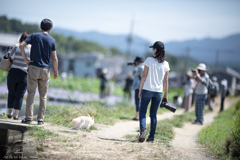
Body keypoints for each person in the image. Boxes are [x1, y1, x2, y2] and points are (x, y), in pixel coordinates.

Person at [20, 19, 58, 125]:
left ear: (40, 27)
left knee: (31, 93)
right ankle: (40, 119)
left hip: (33, 68)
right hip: (46, 70)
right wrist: (55, 71)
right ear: (50, 28)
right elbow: (55, 58)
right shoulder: (52, 40)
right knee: (43, 95)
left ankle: (28, 118)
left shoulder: (34, 36)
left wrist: (26, 60)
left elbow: (21, 45)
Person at [138, 41, 170, 143]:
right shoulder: (166, 64)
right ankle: (151, 138)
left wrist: (140, 89)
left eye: (153, 48)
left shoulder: (149, 60)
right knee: (153, 114)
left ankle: (143, 130)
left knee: (142, 111)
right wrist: (166, 95)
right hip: (158, 92)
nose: (152, 50)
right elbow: (166, 80)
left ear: (156, 50)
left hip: (147, 89)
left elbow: (144, 76)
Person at [7, 32, 31, 120]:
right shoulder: (31, 49)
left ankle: (10, 113)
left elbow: (11, 57)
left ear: (21, 38)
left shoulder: (17, 46)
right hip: (23, 74)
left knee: (11, 93)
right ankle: (16, 115)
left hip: (13, 72)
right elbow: (30, 61)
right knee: (20, 95)